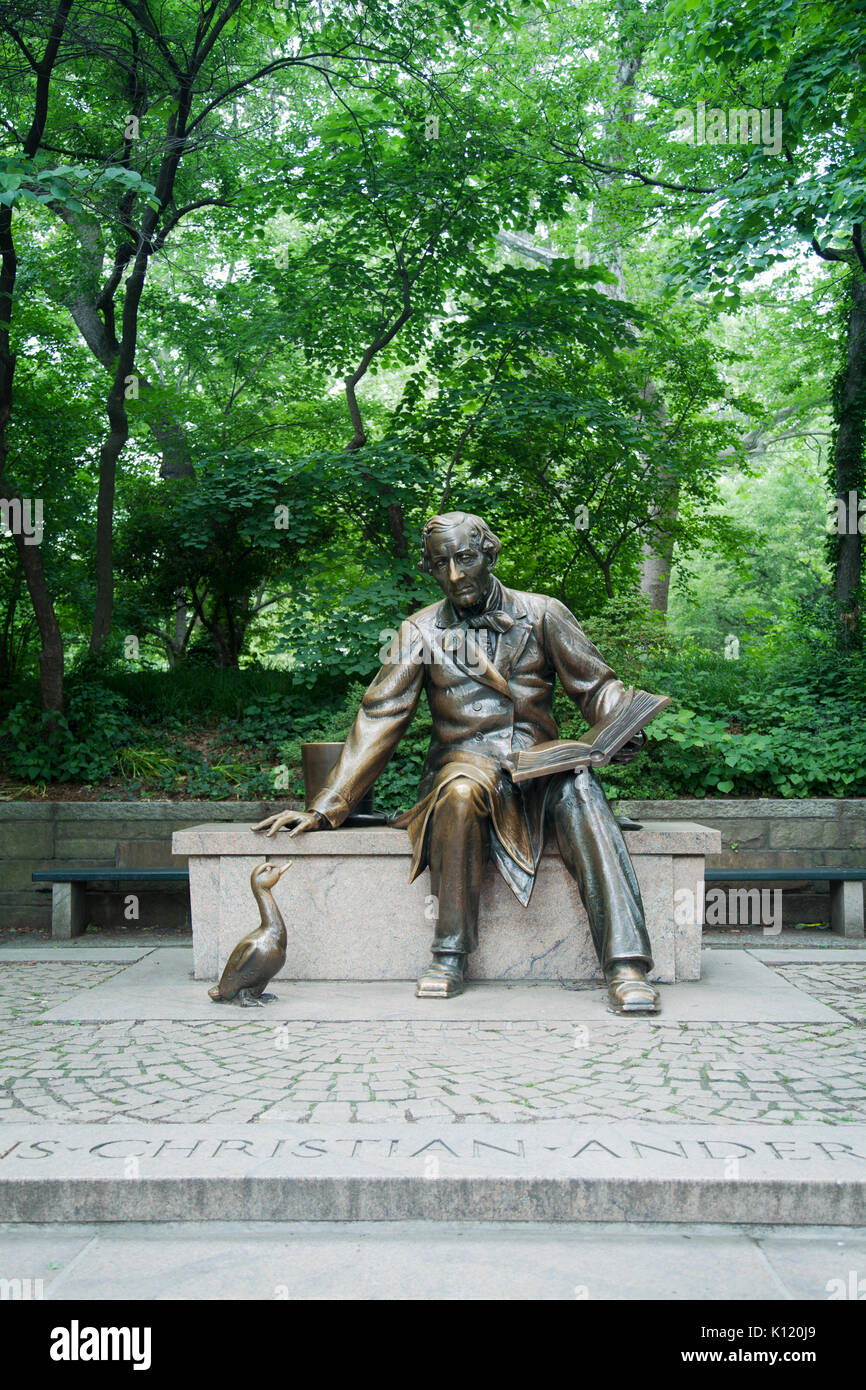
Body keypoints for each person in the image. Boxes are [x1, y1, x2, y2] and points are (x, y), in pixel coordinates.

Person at [253, 511, 659, 1013]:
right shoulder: (420, 631)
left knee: (581, 787)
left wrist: (621, 726)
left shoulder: (544, 612)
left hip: (539, 764)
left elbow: (596, 687)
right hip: (465, 765)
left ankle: (626, 965)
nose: (454, 575)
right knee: (461, 793)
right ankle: (449, 954)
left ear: (489, 554)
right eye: (441, 563)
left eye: (465, 558)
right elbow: (381, 715)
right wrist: (326, 806)